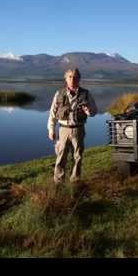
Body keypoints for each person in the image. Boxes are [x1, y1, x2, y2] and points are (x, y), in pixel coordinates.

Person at [47, 68, 98, 197]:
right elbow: (52, 113)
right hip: (63, 129)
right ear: (66, 79)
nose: (72, 79)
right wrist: (51, 129)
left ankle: (75, 181)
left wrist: (88, 111)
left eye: (75, 77)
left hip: (79, 129)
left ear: (79, 79)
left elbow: (94, 112)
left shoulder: (86, 94)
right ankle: (58, 183)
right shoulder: (59, 94)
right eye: (70, 77)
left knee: (78, 157)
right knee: (61, 157)